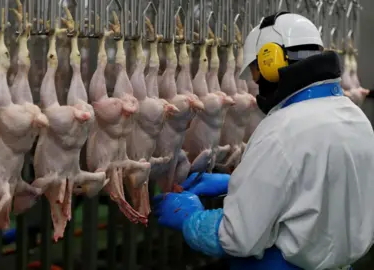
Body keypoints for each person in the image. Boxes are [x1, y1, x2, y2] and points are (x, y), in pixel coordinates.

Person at [154, 12, 374, 270]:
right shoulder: (354, 117)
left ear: (272, 62)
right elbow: (321, 188)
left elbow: (237, 238)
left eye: (256, 71)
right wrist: (241, 184)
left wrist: (190, 218)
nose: (256, 82)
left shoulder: (282, 129)